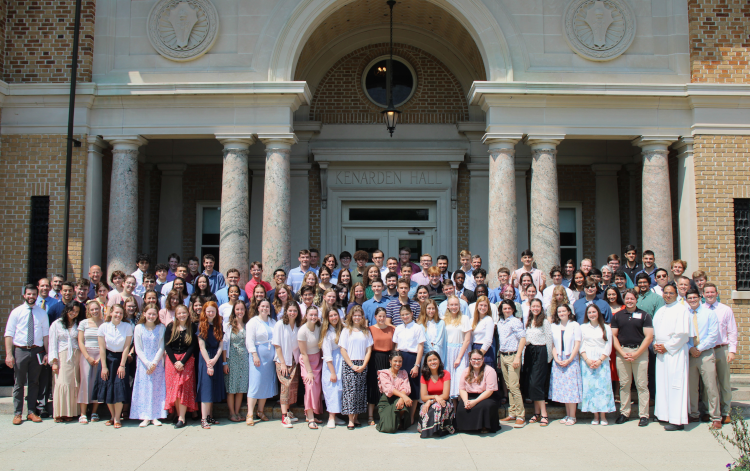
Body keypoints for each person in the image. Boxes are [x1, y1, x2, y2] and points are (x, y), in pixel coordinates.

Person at [5, 284, 49, 425]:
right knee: (19, 383)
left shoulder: (42, 313)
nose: (31, 297)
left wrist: (47, 353)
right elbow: (8, 335)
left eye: (33, 294)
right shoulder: (16, 312)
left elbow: (46, 336)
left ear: (37, 296)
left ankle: (31, 411)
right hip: (21, 351)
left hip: (37, 351)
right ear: (24, 295)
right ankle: (17, 413)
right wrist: (9, 355)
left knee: (34, 382)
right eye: (28, 294)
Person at [611, 289, 653, 426]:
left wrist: (637, 353)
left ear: (636, 299)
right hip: (623, 353)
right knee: (624, 384)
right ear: (624, 300)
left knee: (641, 385)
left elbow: (649, 337)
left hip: (639, 352)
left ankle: (644, 415)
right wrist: (622, 353)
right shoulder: (618, 316)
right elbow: (613, 336)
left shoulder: (645, 315)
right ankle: (624, 412)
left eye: (632, 298)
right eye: (627, 298)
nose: (629, 301)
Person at [653, 284, 692, 431]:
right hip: (661, 353)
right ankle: (664, 415)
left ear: (676, 294)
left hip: (675, 353)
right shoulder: (661, 310)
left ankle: (677, 420)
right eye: (666, 293)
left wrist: (667, 346)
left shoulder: (681, 309)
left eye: (671, 293)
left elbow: (682, 334)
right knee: (662, 385)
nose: (668, 295)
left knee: (676, 385)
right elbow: (656, 332)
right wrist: (656, 345)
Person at [684, 289, 722, 429]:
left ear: (700, 298)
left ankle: (716, 417)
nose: (692, 300)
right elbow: (682, 334)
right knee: (692, 387)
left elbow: (713, 335)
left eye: (695, 297)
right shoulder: (684, 314)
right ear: (686, 300)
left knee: (710, 386)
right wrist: (690, 348)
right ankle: (694, 413)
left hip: (706, 353)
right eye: (690, 298)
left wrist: (699, 348)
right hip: (690, 353)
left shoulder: (709, 313)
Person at [92, 304, 133, 429]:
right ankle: (112, 416)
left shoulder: (127, 327)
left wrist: (122, 365)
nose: (118, 315)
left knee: (119, 388)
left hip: (120, 359)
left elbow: (126, 347)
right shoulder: (103, 327)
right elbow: (102, 348)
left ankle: (117, 418)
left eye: (120, 313)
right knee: (107, 388)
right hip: (107, 359)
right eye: (116, 312)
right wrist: (104, 366)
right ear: (111, 313)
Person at [703, 283, 737, 424]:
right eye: (707, 292)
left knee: (724, 382)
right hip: (706, 350)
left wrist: (732, 350)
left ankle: (725, 411)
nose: (710, 294)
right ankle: (708, 410)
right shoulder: (700, 310)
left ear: (716, 293)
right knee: (708, 383)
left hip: (721, 348)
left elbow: (732, 331)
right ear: (703, 295)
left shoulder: (725, 310)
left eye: (712, 292)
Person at [129, 303, 167, 427]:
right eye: (149, 314)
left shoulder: (161, 327)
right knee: (144, 389)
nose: (151, 316)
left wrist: (155, 362)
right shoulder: (139, 328)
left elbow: (162, 346)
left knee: (156, 390)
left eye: (154, 314)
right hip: (143, 364)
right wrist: (147, 363)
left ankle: (155, 415)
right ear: (144, 314)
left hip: (157, 364)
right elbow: (138, 348)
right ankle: (145, 416)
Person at [580, 304, 616, 425]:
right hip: (587, 361)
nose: (592, 315)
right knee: (591, 388)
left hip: (602, 360)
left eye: (594, 312)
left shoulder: (606, 327)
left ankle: (603, 415)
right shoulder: (583, 327)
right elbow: (581, 345)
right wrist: (587, 359)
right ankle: (595, 415)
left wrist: (600, 360)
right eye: (589, 313)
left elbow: (608, 345)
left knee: (602, 388)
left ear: (598, 313)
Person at [339, 305, 373, 429]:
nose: (357, 317)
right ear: (351, 317)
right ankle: (350, 420)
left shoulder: (366, 331)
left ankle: (357, 418)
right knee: (350, 392)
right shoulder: (346, 330)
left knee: (360, 392)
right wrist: (352, 365)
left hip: (362, 364)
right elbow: (343, 349)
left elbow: (369, 350)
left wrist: (364, 365)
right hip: (350, 364)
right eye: (355, 315)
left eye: (359, 315)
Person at [164, 304, 198, 429]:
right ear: (176, 315)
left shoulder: (191, 327)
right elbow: (167, 346)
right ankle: (178, 415)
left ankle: (182, 418)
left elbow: (192, 346)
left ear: (188, 313)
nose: (182, 315)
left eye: (184, 313)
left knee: (183, 388)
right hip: (172, 361)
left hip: (186, 360)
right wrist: (175, 362)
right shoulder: (170, 327)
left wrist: (182, 362)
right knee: (175, 389)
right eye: (179, 313)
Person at [549, 303, 582, 426]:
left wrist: (570, 359)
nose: (561, 313)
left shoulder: (575, 325)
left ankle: (573, 416)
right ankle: (567, 414)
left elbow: (577, 344)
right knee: (563, 390)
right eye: (559, 312)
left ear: (569, 312)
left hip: (571, 359)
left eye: (564, 311)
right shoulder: (554, 326)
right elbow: (552, 344)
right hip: (558, 359)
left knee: (571, 389)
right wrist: (556, 358)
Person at [49, 302, 83, 422]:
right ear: (67, 310)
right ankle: (59, 413)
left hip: (76, 355)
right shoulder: (56, 324)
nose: (74, 313)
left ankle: (71, 413)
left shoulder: (78, 324)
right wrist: (54, 361)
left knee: (74, 383)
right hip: (62, 356)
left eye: (77, 312)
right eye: (72, 311)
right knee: (62, 382)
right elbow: (52, 344)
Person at [244, 299, 277, 426]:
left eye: (267, 306)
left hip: (270, 358)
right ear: (258, 308)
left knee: (265, 384)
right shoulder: (253, 322)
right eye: (262, 306)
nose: (265, 308)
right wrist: (254, 354)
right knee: (255, 383)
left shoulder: (273, 322)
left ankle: (260, 411)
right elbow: (250, 340)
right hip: (258, 356)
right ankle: (250, 413)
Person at [522, 298, 553, 427]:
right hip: (529, 352)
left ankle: (544, 414)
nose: (535, 308)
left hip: (541, 352)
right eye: (533, 306)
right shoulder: (529, 321)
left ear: (541, 308)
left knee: (537, 383)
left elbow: (549, 340)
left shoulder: (544, 322)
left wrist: (548, 358)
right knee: (531, 383)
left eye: (538, 306)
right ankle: (536, 413)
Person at [392, 304, 425, 424]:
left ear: (411, 314)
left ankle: (411, 416)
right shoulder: (398, 328)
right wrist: (395, 361)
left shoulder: (417, 328)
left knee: (413, 386)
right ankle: (400, 413)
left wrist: (416, 365)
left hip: (412, 358)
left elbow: (420, 347)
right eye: (402, 315)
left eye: (407, 314)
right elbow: (396, 346)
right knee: (400, 385)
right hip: (400, 358)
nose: (405, 316)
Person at [496, 300, 526, 428]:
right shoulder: (500, 322)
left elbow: (523, 339)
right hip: (503, 355)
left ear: (513, 309)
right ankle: (512, 413)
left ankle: (521, 415)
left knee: (514, 386)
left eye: (509, 308)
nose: (507, 310)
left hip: (513, 355)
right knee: (509, 386)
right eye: (504, 308)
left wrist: (518, 357)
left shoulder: (515, 321)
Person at [196, 301, 225, 429]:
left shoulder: (219, 325)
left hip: (216, 358)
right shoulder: (201, 326)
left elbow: (221, 345)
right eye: (208, 311)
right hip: (205, 358)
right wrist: (209, 363)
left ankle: (209, 416)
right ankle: (203, 419)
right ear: (205, 312)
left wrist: (215, 359)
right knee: (206, 389)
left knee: (213, 388)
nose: (211, 313)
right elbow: (201, 347)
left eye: (213, 311)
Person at [456, 349, 500, 433]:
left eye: (478, 359)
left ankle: (484, 427)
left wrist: (475, 402)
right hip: (470, 395)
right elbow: (462, 389)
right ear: (470, 360)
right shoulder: (466, 371)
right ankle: (465, 427)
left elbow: (490, 391)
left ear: (483, 359)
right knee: (461, 407)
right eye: (474, 359)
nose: (476, 361)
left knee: (484, 406)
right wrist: (465, 401)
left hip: (486, 396)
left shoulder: (490, 371)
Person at [365, 307, 396, 424]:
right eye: (379, 316)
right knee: (374, 385)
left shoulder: (392, 329)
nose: (382, 318)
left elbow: (394, 345)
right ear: (375, 317)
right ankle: (370, 415)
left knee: (386, 386)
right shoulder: (370, 329)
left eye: (384, 316)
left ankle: (384, 414)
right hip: (374, 357)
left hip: (388, 358)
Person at [222, 301, 250, 422]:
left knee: (241, 388)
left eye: (242, 309)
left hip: (244, 359)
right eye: (237, 309)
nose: (240, 312)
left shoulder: (248, 325)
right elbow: (224, 345)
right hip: (232, 358)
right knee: (232, 388)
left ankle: (237, 412)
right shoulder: (228, 326)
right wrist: (225, 363)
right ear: (234, 311)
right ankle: (231, 413)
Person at [320, 302, 346, 428]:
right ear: (327, 318)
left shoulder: (343, 329)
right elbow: (327, 355)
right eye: (331, 316)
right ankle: (331, 417)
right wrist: (333, 372)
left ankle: (337, 416)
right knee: (332, 389)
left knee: (340, 390)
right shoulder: (326, 333)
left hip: (343, 361)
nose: (334, 318)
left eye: (335, 315)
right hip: (332, 364)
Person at [297, 305, 323, 429]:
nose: (313, 317)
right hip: (307, 361)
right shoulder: (302, 331)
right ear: (306, 316)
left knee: (317, 390)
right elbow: (303, 353)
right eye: (310, 315)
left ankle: (311, 414)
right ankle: (310, 418)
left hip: (317, 359)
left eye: (315, 315)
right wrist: (309, 371)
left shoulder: (319, 327)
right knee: (310, 387)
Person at [418, 351, 454, 437]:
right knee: (424, 408)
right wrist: (435, 397)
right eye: (430, 360)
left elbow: (445, 395)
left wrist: (430, 401)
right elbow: (423, 397)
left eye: (435, 359)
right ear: (426, 363)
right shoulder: (424, 376)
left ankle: (439, 429)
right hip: (430, 401)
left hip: (444, 402)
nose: (433, 362)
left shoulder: (446, 374)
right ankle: (428, 429)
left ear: (439, 361)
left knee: (436, 406)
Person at [77, 301, 103, 423]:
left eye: (96, 309)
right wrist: (87, 357)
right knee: (85, 381)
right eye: (92, 309)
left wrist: (100, 358)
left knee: (97, 382)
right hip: (86, 355)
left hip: (100, 354)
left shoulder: (104, 324)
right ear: (88, 311)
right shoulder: (83, 323)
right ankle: (83, 413)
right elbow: (81, 342)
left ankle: (94, 412)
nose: (94, 311)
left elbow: (106, 342)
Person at [442, 296, 472, 399]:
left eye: (456, 305)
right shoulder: (444, 319)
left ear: (459, 306)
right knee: (449, 380)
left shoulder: (465, 319)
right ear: (448, 306)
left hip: (460, 351)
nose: (454, 307)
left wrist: (459, 357)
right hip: (447, 351)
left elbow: (467, 340)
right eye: (452, 305)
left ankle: (462, 406)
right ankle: (452, 410)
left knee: (460, 380)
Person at [376, 351, 412, 433]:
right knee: (389, 428)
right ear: (390, 361)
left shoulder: (404, 373)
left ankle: (398, 421)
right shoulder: (384, 373)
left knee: (404, 404)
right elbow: (389, 389)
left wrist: (402, 398)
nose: (398, 363)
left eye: (400, 361)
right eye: (395, 361)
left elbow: (406, 387)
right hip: (387, 400)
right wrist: (404, 396)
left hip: (399, 399)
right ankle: (393, 422)